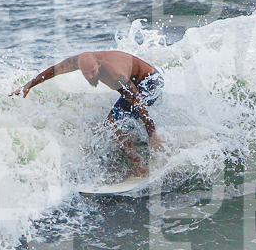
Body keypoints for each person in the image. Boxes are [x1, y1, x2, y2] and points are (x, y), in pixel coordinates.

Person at [11, 51, 164, 177]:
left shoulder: (115, 75)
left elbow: (139, 102)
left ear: (99, 64)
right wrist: (30, 84)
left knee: (112, 124)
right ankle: (142, 157)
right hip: (135, 83)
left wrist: (152, 134)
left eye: (93, 72)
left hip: (150, 82)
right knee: (115, 122)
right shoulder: (77, 62)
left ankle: (141, 167)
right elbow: (53, 71)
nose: (90, 77)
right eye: (86, 74)